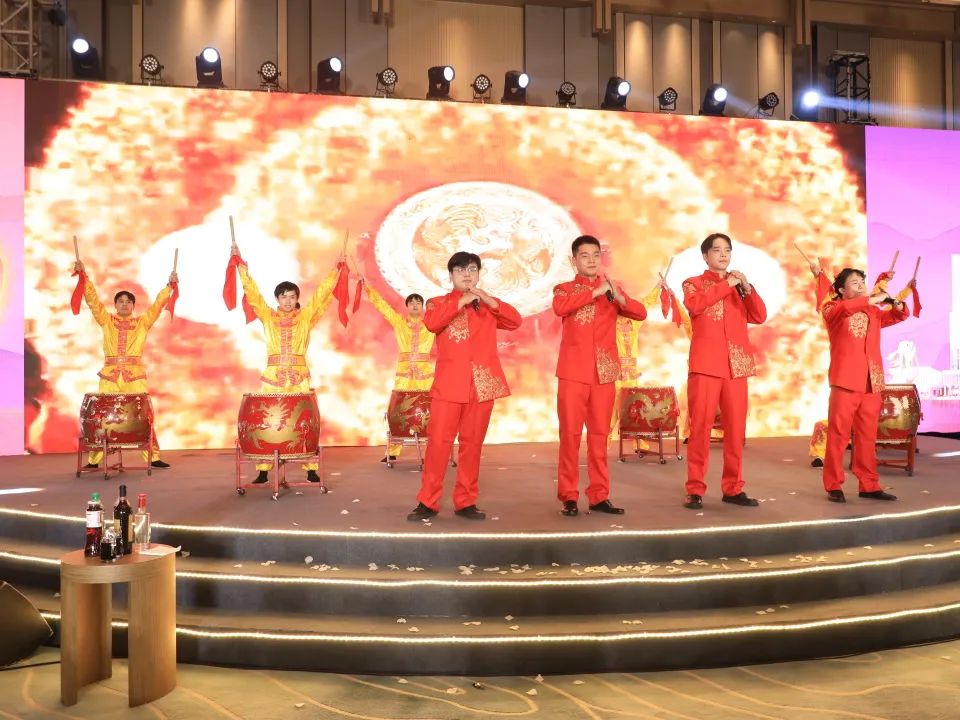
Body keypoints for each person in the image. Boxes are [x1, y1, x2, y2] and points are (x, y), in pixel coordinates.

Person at [406, 252, 522, 521]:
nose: (467, 275)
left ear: (479, 274)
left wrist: (489, 300)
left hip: (482, 385)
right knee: (439, 444)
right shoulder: (437, 303)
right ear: (450, 276)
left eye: (471, 269)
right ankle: (428, 501)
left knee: (472, 445)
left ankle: (466, 500)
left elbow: (515, 321)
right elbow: (432, 323)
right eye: (460, 270)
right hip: (450, 385)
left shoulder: (488, 305)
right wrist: (461, 302)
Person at [553, 236, 649, 517]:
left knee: (599, 437)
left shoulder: (612, 289)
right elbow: (561, 308)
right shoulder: (564, 289)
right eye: (585, 256)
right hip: (573, 373)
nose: (592, 260)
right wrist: (595, 292)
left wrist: (619, 297)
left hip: (604, 373)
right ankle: (569, 496)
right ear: (573, 261)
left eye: (596, 255)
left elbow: (640, 312)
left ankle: (599, 495)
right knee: (570, 436)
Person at [232, 246, 340, 483]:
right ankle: (263, 470)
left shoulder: (305, 317)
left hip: (299, 377)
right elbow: (253, 294)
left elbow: (321, 294)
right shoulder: (268, 316)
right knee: (268, 419)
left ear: (297, 298)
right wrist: (241, 268)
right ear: (277, 299)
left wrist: (336, 270)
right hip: (273, 377)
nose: (288, 301)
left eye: (292, 297)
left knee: (304, 421)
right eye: (284, 297)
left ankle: (310, 468)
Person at [681, 233, 767, 510]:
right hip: (706, 365)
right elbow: (695, 305)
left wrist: (747, 288)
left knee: (735, 431)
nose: (723, 255)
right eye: (717, 250)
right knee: (700, 429)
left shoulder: (739, 286)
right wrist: (726, 284)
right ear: (705, 256)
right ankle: (695, 488)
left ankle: (733, 488)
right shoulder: (693, 283)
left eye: (727, 250)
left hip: (736, 366)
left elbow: (759, 315)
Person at [73, 261, 176, 469]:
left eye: (128, 302)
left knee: (143, 415)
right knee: (102, 416)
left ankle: (153, 457)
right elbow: (93, 301)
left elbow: (157, 307)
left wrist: (169, 287)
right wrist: (84, 277)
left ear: (133, 306)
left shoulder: (142, 323)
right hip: (110, 376)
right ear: (115, 305)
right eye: (120, 301)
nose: (124, 304)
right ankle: (94, 460)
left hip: (134, 376)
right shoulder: (106, 321)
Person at [819, 268, 910, 503]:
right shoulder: (832, 308)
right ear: (841, 290)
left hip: (872, 380)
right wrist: (871, 299)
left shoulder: (872, 311)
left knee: (867, 437)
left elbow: (898, 316)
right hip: (845, 380)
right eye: (854, 282)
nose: (860, 285)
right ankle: (833, 484)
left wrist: (896, 304)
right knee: (838, 435)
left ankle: (869, 484)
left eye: (862, 281)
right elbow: (843, 309)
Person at [363, 283, 434, 461]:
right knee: (399, 410)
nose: (415, 305)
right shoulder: (400, 323)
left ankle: (435, 451)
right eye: (412, 303)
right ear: (407, 306)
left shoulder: (431, 325)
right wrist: (368, 288)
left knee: (429, 409)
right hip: (404, 374)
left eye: (418, 303)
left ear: (423, 306)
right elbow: (383, 306)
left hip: (424, 374)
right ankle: (392, 452)